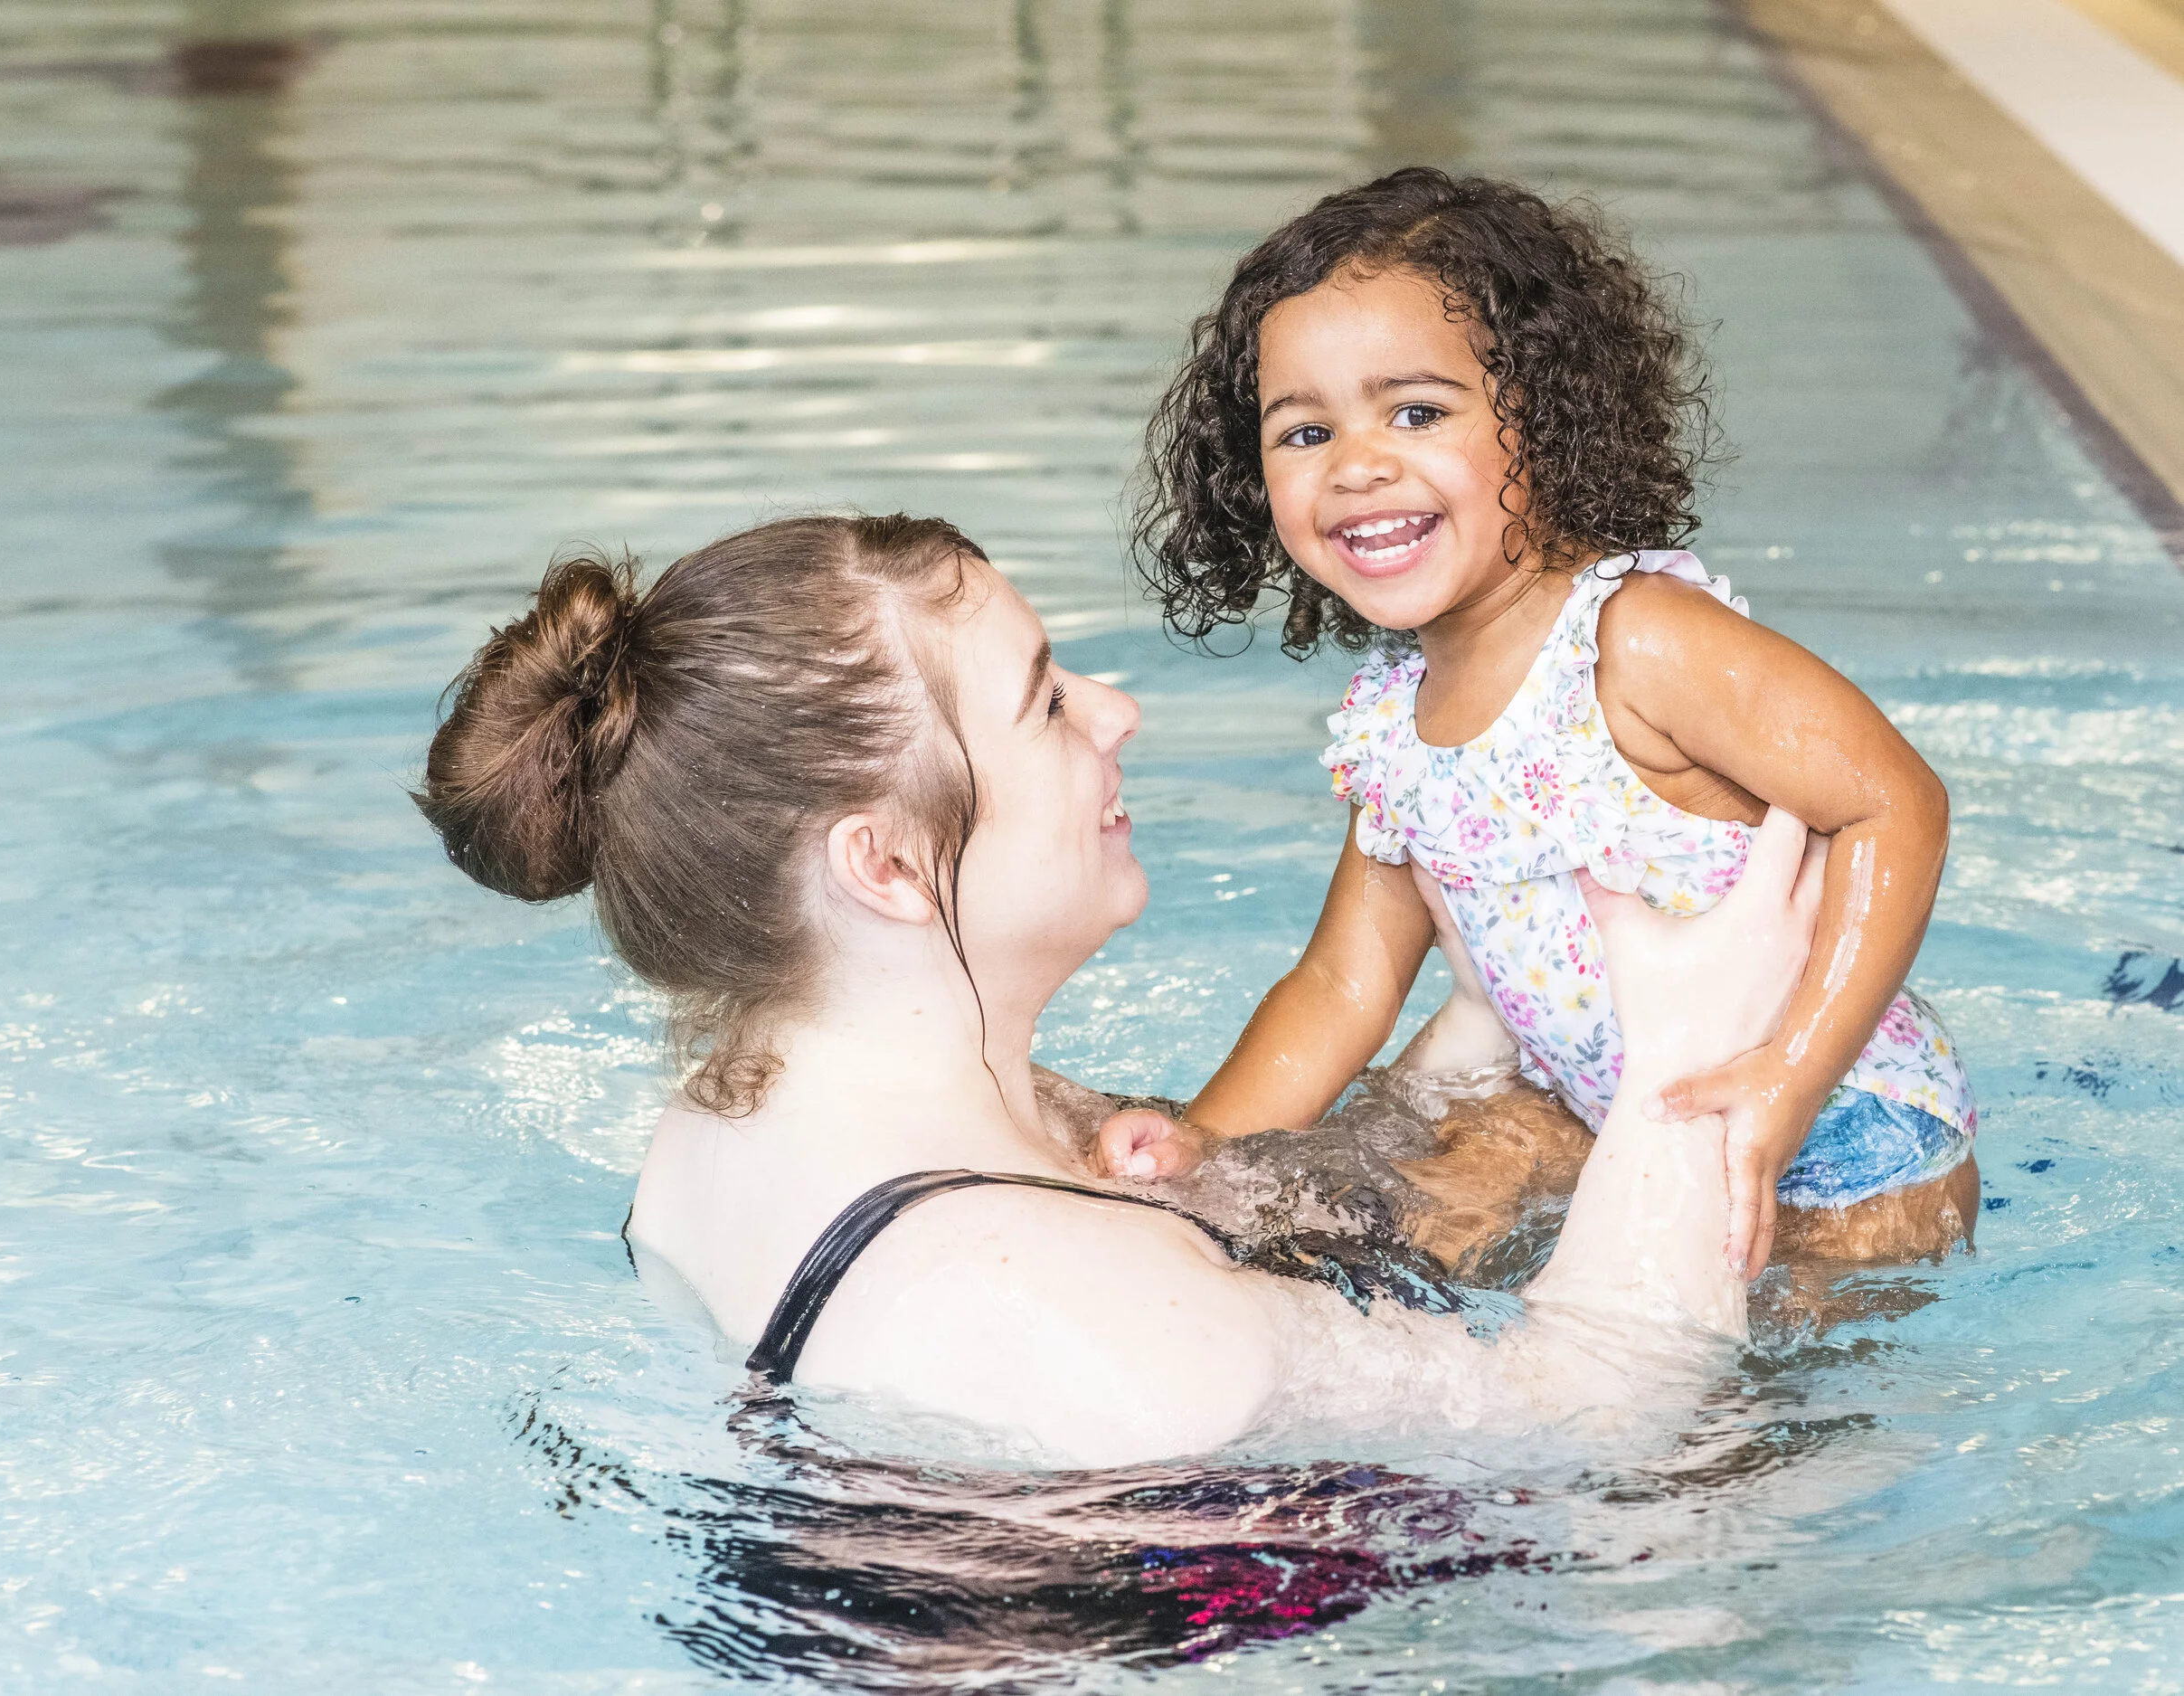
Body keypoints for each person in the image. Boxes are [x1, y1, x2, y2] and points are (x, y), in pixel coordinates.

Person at [416, 513, 1822, 1468]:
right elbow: (1590, 1420)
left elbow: (1250, 1208)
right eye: (1043, 700)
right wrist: (1689, 1062)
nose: (1115, 710)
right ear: (890, 864)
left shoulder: (740, 1126)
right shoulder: (1084, 1307)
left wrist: (1476, 1020)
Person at [1106, 167, 1979, 1278]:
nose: (1357, 464)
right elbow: (1342, 983)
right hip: (1612, 1110)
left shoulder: (1639, 640)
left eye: (1416, 412)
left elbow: (1894, 805)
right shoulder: (1392, 721)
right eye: (1303, 432)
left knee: (1723, 1431)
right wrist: (1201, 1144)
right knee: (1326, 1247)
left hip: (1856, 1150)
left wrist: (1791, 1076)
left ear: (1546, 416)